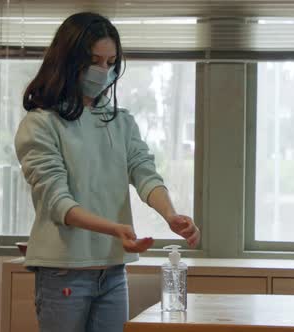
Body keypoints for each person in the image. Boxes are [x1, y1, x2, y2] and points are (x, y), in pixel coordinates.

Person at [14, 12, 200, 332]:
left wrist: (170, 214)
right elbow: (58, 203)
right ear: (68, 61)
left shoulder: (120, 121)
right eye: (95, 61)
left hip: (112, 271)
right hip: (64, 271)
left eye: (111, 62)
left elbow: (144, 172)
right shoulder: (41, 123)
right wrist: (114, 229)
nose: (104, 70)